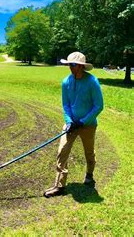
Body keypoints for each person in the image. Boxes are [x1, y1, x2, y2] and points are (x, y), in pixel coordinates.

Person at [44, 52, 104, 198]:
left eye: (73, 64)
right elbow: (66, 105)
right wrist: (70, 121)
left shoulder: (92, 82)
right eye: (68, 64)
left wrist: (83, 121)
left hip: (88, 125)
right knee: (62, 151)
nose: (70, 67)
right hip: (71, 124)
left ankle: (89, 175)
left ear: (81, 66)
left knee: (89, 152)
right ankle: (60, 185)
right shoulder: (66, 82)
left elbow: (99, 106)